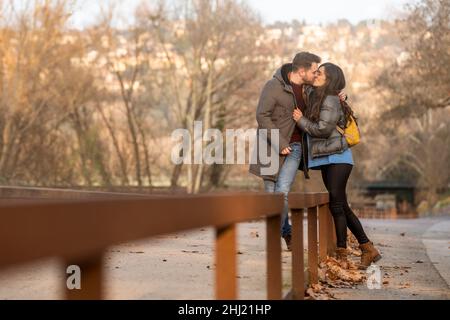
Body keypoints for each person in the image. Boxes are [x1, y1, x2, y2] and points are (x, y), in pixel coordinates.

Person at [293, 62, 382, 268]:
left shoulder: (331, 99)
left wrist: (300, 120)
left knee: (337, 204)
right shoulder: (319, 96)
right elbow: (303, 87)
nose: (316, 74)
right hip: (327, 157)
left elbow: (323, 129)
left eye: (320, 73)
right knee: (340, 205)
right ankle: (367, 248)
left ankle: (344, 254)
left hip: (339, 158)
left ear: (329, 78)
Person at [249, 52, 321, 250]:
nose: (316, 74)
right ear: (301, 70)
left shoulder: (309, 90)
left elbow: (326, 100)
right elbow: (262, 116)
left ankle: (281, 236)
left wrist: (341, 97)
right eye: (313, 71)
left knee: (282, 192)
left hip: (296, 147)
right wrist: (280, 143)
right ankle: (286, 232)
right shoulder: (273, 86)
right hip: (270, 145)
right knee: (271, 193)